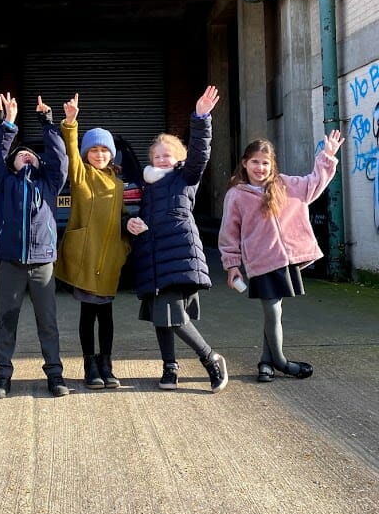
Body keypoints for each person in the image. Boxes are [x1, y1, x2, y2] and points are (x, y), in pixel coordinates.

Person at [218, 129, 344, 382]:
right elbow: (229, 234)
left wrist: (327, 157)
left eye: (265, 163)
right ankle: (281, 361)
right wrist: (232, 266)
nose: (260, 168)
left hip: (284, 261)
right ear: (245, 163)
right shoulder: (236, 195)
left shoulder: (285, 185)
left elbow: (313, 184)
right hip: (261, 262)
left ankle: (266, 363)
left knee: (274, 311)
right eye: (255, 162)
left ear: (272, 165)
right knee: (273, 312)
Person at [127, 85, 228, 393]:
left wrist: (200, 118)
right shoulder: (146, 187)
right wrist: (133, 224)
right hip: (152, 257)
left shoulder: (185, 177)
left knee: (172, 312)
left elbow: (200, 153)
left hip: (178, 254)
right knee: (161, 315)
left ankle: (211, 358)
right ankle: (169, 368)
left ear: (179, 158)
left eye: (167, 155)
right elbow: (141, 218)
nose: (161, 160)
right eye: (156, 156)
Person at [0, 92, 70, 399]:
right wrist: (6, 126)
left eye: (31, 154)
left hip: (43, 263)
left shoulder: (49, 183)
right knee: (6, 321)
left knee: (48, 322)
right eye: (20, 154)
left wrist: (47, 123)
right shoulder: (3, 182)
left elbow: (60, 160)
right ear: (12, 162)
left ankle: (55, 375)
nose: (26, 155)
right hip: (11, 263)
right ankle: (2, 377)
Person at [55, 93, 130, 389]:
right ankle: (90, 364)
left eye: (104, 150)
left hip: (108, 256)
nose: (99, 155)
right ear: (87, 154)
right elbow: (70, 152)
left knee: (107, 315)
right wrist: (71, 123)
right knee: (88, 314)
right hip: (86, 256)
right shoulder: (80, 175)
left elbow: (123, 217)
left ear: (112, 154)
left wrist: (128, 234)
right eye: (94, 150)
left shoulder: (119, 184)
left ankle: (106, 363)